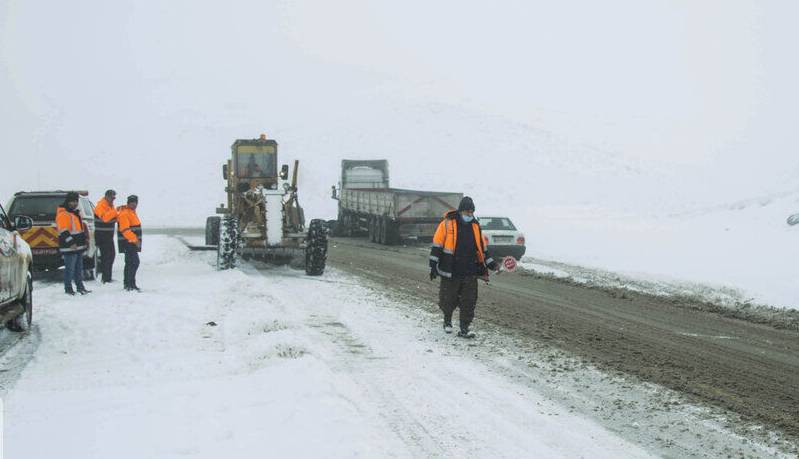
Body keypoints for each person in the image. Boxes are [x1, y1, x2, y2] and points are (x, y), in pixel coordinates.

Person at [429, 196, 498, 338]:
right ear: (460, 211)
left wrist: (492, 264)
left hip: (470, 271)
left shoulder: (475, 225)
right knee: (448, 298)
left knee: (469, 301)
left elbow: (482, 249)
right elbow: (437, 245)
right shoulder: (447, 224)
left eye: (472, 212)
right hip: (451, 270)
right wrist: (433, 265)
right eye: (467, 212)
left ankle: (464, 328)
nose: (469, 215)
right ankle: (447, 321)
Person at [56, 192, 91, 295]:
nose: (74, 203)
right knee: (70, 270)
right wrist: (71, 242)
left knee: (78, 269)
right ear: (68, 201)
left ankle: (80, 287)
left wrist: (85, 241)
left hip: (78, 247)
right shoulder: (63, 214)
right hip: (70, 247)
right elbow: (63, 231)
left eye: (76, 201)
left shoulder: (75, 213)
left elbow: (78, 230)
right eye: (72, 201)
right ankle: (68, 289)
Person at [117, 195, 142, 292]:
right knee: (134, 262)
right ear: (128, 203)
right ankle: (129, 284)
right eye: (132, 202)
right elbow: (125, 230)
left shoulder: (132, 212)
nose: (134, 204)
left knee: (130, 263)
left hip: (131, 242)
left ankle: (129, 283)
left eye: (136, 202)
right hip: (128, 242)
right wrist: (135, 240)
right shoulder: (124, 213)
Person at [94, 189, 118, 283]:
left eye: (114, 197)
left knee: (110, 256)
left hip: (108, 235)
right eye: (112, 197)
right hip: (102, 235)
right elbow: (105, 218)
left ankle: (107, 277)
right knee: (107, 256)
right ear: (107, 196)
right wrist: (116, 212)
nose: (113, 199)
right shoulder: (100, 206)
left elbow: (113, 218)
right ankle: (106, 279)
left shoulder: (110, 206)